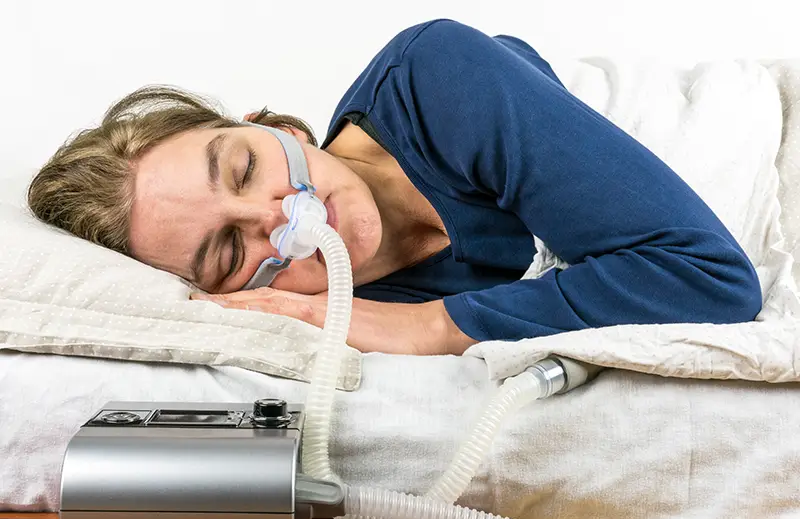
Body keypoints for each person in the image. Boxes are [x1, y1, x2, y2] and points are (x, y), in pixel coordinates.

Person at [26, 19, 762, 356]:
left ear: (280, 127)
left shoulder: (437, 78)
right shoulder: (325, 316)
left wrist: (431, 326)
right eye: (228, 250)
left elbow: (711, 279)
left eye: (245, 167)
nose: (279, 215)